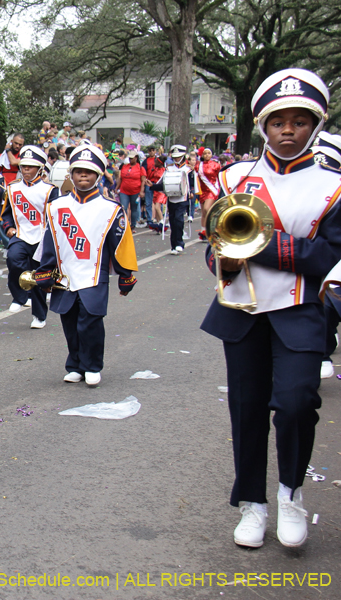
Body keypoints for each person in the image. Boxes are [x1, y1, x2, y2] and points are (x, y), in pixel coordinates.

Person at [200, 69, 341, 550]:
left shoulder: (334, 186)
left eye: (300, 121)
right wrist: (223, 258)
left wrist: (259, 246)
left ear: (315, 125)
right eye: (278, 120)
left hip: (301, 308)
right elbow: (213, 246)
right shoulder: (233, 178)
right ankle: (252, 505)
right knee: (246, 408)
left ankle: (291, 494)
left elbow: (325, 255)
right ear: (263, 124)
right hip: (242, 308)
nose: (288, 130)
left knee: (299, 402)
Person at [34, 142, 138, 386]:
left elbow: (120, 243)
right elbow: (50, 241)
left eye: (89, 171)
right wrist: (45, 272)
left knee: (89, 321)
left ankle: (92, 365)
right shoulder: (56, 207)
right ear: (70, 174)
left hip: (94, 274)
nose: (83, 175)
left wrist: (125, 275)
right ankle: (75, 365)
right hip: (65, 274)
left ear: (99, 176)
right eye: (78, 170)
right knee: (69, 321)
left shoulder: (111, 209)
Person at [1, 145, 58, 329]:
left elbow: (56, 216)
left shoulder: (50, 190)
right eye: (23, 166)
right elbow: (7, 213)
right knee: (13, 259)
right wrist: (9, 227)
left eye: (30, 167)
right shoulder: (12, 188)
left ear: (40, 168)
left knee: (39, 277)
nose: (25, 170)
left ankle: (39, 316)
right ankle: (20, 296)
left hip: (42, 238)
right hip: (21, 235)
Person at [118, 150, 146, 230]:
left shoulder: (140, 168)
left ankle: (133, 225)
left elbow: (143, 180)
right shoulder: (124, 166)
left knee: (134, 208)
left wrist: (141, 191)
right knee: (124, 207)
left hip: (135, 191)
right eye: (129, 158)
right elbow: (121, 178)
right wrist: (117, 187)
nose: (130, 160)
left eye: (132, 158)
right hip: (124, 190)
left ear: (136, 158)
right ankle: (125, 224)